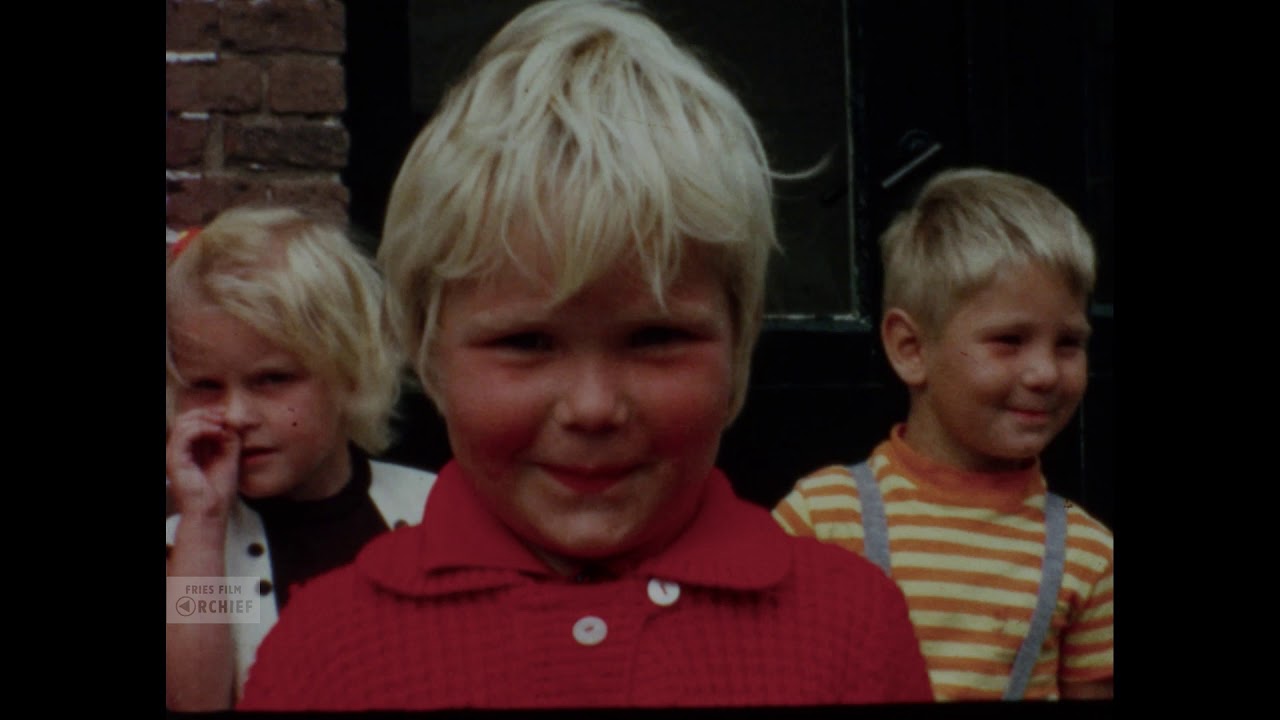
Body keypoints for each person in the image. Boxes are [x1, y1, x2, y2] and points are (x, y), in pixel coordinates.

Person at [238, 0, 932, 710]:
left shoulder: (857, 628)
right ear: (424, 347)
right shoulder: (312, 648)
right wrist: (199, 532)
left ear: (740, 340)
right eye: (527, 342)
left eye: (656, 338)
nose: (594, 407)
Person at [773, 167, 1115, 701]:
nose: (1045, 372)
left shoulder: (1088, 554)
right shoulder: (821, 517)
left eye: (1069, 342)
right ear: (911, 349)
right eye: (1009, 340)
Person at [165, 205, 438, 710]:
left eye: (272, 379)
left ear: (348, 370)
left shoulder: (434, 513)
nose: (237, 413)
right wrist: (202, 523)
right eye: (204, 386)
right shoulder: (190, 558)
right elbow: (194, 701)